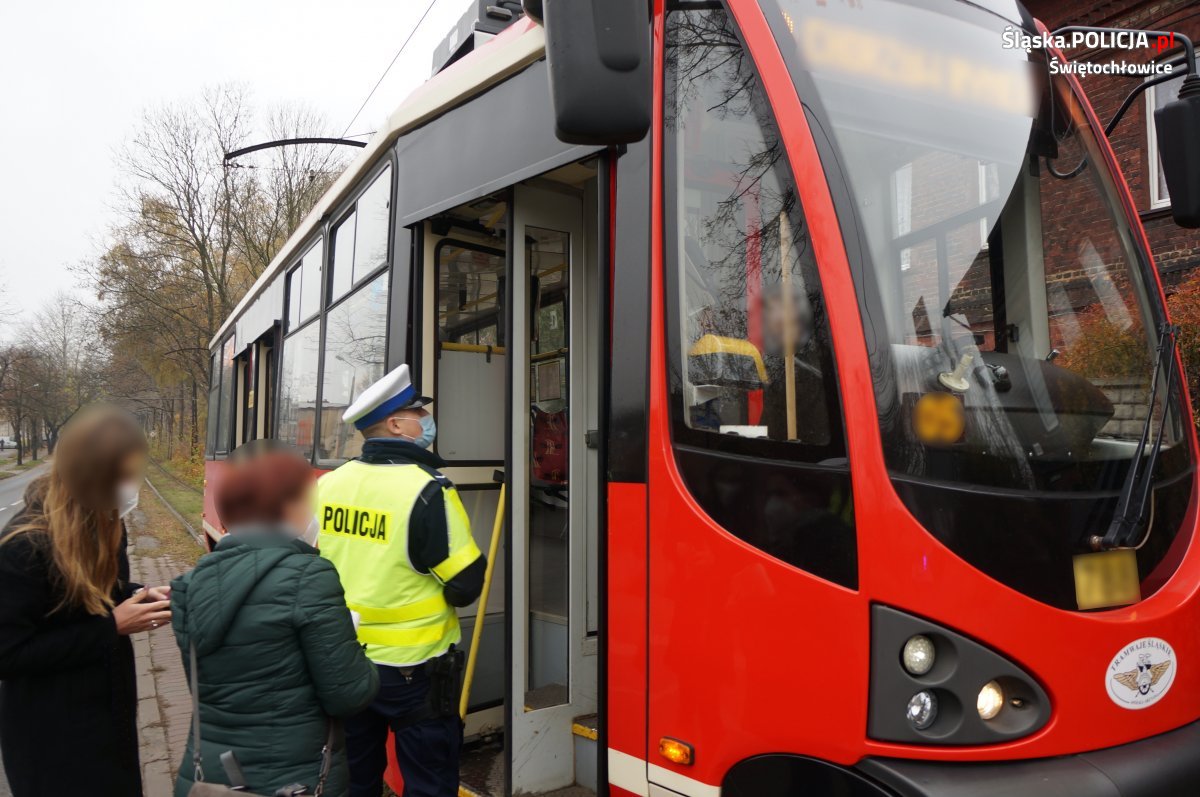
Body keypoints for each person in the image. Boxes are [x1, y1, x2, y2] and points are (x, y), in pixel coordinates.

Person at [317, 364, 485, 797]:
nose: (426, 422)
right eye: (418, 414)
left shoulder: (330, 485)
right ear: (395, 424)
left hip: (346, 660)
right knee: (428, 781)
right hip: (413, 670)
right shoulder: (428, 489)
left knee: (356, 778)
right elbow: (465, 585)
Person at [171, 451, 379, 797]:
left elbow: (211, 689)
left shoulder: (188, 586)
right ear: (289, 507)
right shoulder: (309, 576)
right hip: (293, 779)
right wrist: (354, 650)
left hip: (209, 776)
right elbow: (348, 695)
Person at [0, 406, 170, 797]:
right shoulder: (24, 545)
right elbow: (7, 653)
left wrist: (140, 595)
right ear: (89, 474)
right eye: (122, 476)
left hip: (110, 721)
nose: (130, 485)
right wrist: (112, 627)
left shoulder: (107, 522)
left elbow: (99, 595)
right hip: (51, 738)